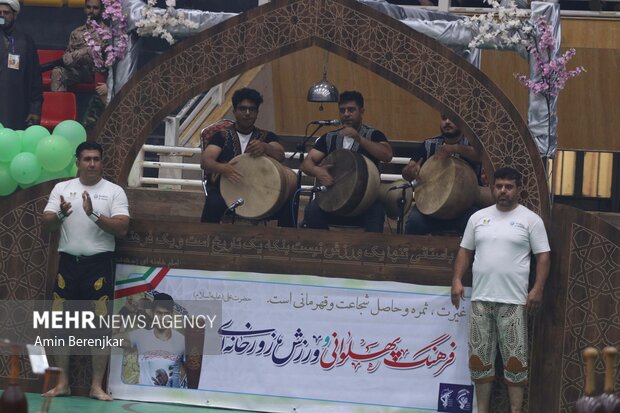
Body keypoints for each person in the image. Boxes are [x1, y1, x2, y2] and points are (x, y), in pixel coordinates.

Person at [450, 166, 550, 413]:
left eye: (509, 186)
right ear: (492, 188)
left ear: (519, 189)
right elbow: (465, 251)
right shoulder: (478, 218)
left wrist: (537, 288)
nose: (503, 191)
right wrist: (456, 279)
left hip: (513, 302)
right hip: (481, 299)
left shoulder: (530, 220)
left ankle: (516, 410)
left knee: (515, 363)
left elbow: (544, 257)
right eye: (499, 186)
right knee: (480, 362)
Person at [41, 141, 130, 400]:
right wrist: (59, 215)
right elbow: (46, 224)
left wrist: (93, 215)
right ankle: (63, 384)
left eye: (97, 159)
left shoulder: (114, 191)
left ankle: (96, 386)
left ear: (102, 162)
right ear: (77, 162)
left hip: (98, 266)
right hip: (68, 264)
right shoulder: (62, 188)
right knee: (60, 325)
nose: (92, 163)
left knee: (99, 328)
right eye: (87, 159)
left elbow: (122, 227)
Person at [300, 90, 393, 232]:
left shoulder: (373, 135)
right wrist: (317, 171)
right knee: (312, 211)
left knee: (377, 212)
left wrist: (359, 139)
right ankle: (324, 250)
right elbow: (306, 163)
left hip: (365, 203)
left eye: (351, 110)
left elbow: (387, 155)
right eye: (342, 110)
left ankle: (371, 253)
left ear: (361, 111)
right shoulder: (329, 137)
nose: (346, 114)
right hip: (333, 200)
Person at [200, 87, 294, 227]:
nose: (247, 113)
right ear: (235, 111)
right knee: (213, 203)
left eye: (252, 109)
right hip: (225, 193)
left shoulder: (267, 137)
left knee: (288, 202)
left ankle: (285, 244)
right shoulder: (222, 136)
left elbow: (280, 155)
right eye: (242, 109)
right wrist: (224, 168)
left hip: (260, 194)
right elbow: (205, 161)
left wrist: (266, 147)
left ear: (257, 113)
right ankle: (205, 239)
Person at [402, 115, 482, 235]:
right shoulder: (429, 144)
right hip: (431, 208)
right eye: (444, 119)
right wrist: (411, 171)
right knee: (414, 222)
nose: (447, 122)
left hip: (465, 208)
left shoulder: (472, 145)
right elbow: (406, 173)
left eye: (452, 119)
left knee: (476, 224)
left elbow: (481, 156)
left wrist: (455, 148)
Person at [124, 293, 186, 388]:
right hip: (145, 397)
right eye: (159, 313)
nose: (162, 318)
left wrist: (168, 383)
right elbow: (111, 338)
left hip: (171, 398)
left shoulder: (182, 341)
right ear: (152, 313)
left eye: (166, 314)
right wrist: (124, 311)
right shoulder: (140, 335)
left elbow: (189, 374)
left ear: (172, 314)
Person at [0, 0, 42, 130]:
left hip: (17, 106)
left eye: (6, 13)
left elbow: (35, 78)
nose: (2, 16)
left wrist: (35, 109)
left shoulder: (26, 42)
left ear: (14, 14)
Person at [50, 0, 106, 92]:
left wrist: (85, 52)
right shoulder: (76, 32)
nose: (91, 10)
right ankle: (59, 105)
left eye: (95, 8)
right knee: (57, 72)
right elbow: (67, 58)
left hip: (98, 73)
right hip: (79, 72)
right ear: (84, 9)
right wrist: (77, 55)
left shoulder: (106, 32)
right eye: (88, 7)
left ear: (101, 10)